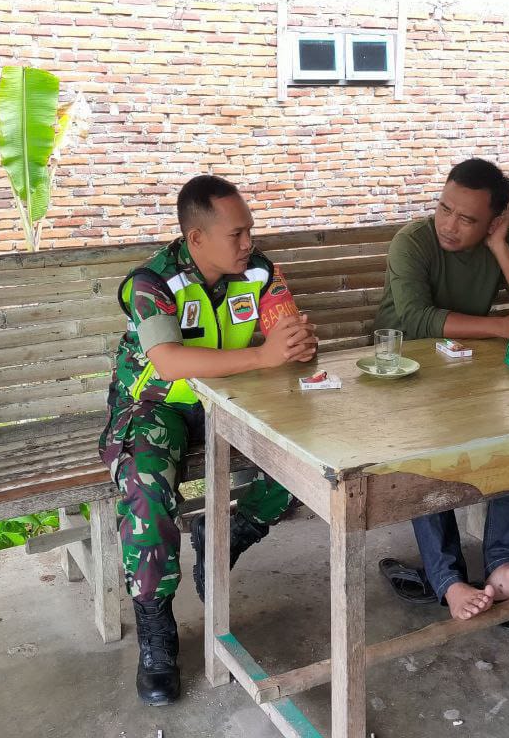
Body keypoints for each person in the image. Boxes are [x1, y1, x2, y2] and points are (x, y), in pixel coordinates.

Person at [100, 174, 318, 705]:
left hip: (234, 396)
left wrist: (296, 344)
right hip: (157, 404)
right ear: (196, 238)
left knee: (312, 446)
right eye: (236, 234)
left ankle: (232, 531)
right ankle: (156, 629)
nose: (248, 243)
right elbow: (168, 361)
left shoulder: (259, 271)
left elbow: (286, 333)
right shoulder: (152, 282)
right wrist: (263, 355)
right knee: (145, 483)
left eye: (250, 231)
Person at [375, 158, 509, 624]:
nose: (449, 225)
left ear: (494, 221)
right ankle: (449, 581)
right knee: (424, 449)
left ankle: (503, 567)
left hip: (469, 369)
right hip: (402, 374)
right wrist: (501, 327)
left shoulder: (501, 242)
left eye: (468, 219)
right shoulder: (413, 241)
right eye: (444, 209)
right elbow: (415, 319)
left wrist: (498, 245)